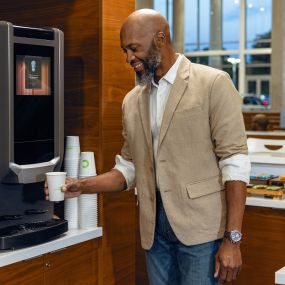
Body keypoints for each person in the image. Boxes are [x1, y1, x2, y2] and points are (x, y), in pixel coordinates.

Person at [45, 9, 251, 285]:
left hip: (202, 231)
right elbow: (128, 169)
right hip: (154, 231)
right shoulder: (132, 101)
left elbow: (234, 161)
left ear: (160, 38)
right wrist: (82, 186)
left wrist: (233, 239)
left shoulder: (213, 83)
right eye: (124, 51)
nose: (129, 58)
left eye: (134, 48)